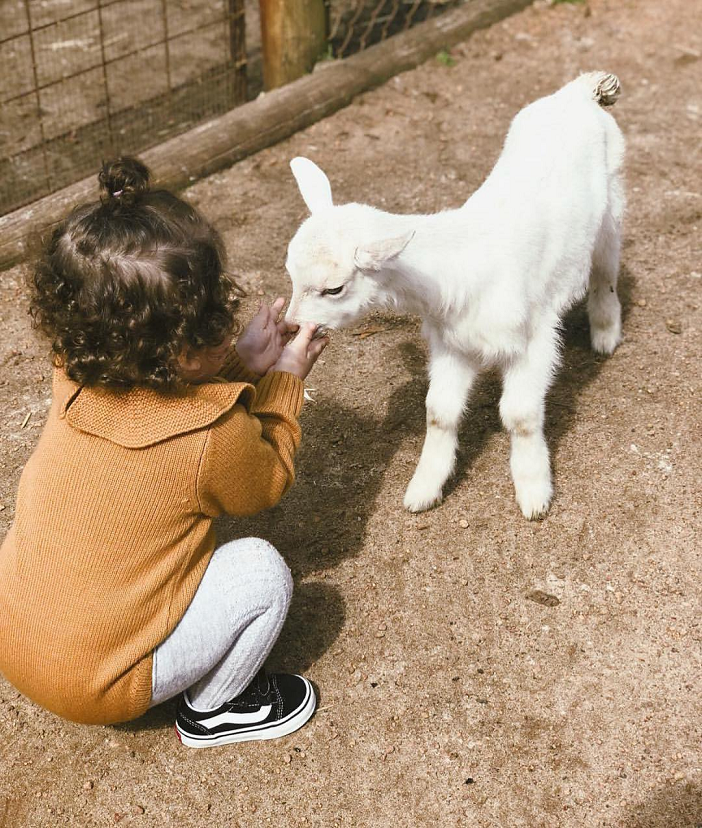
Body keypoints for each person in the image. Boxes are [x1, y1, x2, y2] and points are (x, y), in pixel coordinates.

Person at [0, 157, 328, 748]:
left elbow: (160, 400)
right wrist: (283, 380)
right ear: (182, 348)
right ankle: (214, 709)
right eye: (212, 324)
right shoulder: (212, 436)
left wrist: (239, 365)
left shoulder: (72, 372)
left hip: (15, 637)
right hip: (99, 684)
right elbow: (268, 479)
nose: (225, 327)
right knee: (261, 574)